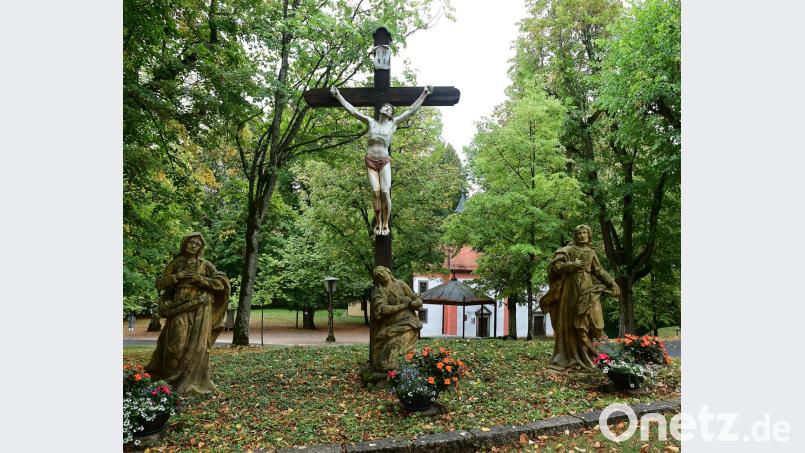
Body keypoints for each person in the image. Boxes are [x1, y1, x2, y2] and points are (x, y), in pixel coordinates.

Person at [330, 85, 433, 236]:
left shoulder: (393, 124)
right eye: (385, 107)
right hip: (370, 160)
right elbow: (352, 110)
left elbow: (411, 110)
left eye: (389, 109)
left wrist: (424, 94)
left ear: (391, 115)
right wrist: (338, 95)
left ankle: (385, 224)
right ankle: (378, 223)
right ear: (380, 110)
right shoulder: (371, 122)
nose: (386, 109)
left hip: (384, 161)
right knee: (375, 191)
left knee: (385, 191)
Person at [145, 232, 230, 396]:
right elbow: (159, 284)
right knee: (175, 346)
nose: (194, 246)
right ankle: (170, 382)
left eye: (198, 244)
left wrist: (200, 279)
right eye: (191, 242)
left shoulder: (205, 265)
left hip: (201, 310)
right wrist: (177, 276)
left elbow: (221, 284)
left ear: (201, 248)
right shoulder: (176, 263)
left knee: (198, 348)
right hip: (179, 308)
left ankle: (192, 383)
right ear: (185, 243)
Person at [539, 225, 620, 370]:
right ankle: (577, 354)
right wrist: (572, 265)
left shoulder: (591, 252)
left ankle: (595, 353)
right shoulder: (567, 250)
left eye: (585, 233)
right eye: (579, 233)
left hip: (589, 288)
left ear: (589, 235)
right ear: (575, 236)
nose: (582, 235)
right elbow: (555, 266)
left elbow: (599, 270)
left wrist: (612, 283)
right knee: (574, 322)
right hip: (572, 290)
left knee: (596, 319)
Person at [369, 266, 423, 371]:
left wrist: (413, 303)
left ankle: (405, 370)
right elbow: (383, 309)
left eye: (381, 271)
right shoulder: (379, 292)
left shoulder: (400, 285)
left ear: (388, 271)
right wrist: (403, 305)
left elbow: (417, 300)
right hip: (390, 328)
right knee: (383, 361)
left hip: (409, 324)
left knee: (396, 354)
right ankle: (405, 370)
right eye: (377, 275)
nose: (380, 275)